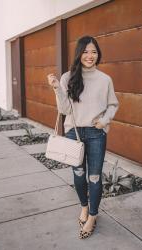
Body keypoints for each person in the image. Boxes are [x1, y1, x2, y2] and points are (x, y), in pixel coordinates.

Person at [47, 36, 119, 239]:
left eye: (94, 51)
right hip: (74, 133)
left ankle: (93, 216)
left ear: (98, 54)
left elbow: (113, 104)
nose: (90, 55)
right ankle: (84, 206)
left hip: (96, 134)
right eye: (86, 51)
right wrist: (56, 88)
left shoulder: (105, 79)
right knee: (78, 175)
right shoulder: (68, 77)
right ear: (79, 53)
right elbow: (64, 109)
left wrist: (104, 121)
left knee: (94, 177)